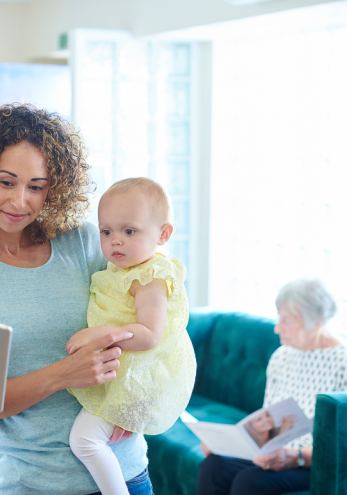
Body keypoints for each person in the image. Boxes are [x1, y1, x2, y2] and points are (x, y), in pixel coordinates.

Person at [0, 104, 152, 495]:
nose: (20, 201)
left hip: (126, 475)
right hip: (32, 484)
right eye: (6, 182)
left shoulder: (85, 243)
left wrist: (140, 398)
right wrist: (63, 374)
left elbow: (149, 316)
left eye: (36, 187)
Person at [65, 178, 197, 495]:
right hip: (122, 373)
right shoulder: (118, 271)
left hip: (137, 378)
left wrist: (99, 335)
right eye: (106, 231)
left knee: (84, 440)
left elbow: (151, 334)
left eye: (129, 231)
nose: (115, 242)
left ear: (163, 234)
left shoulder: (151, 276)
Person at [198, 278, 347, 495]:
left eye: (287, 321)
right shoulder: (282, 356)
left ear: (315, 321)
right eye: (279, 318)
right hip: (274, 452)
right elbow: (270, 421)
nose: (278, 328)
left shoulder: (343, 363)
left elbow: (341, 445)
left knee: (250, 481)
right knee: (214, 465)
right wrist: (228, 443)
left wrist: (296, 457)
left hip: (313, 461)